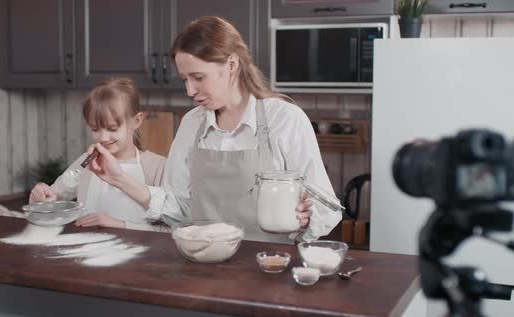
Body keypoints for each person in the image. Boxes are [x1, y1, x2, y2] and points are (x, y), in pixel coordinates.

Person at [84, 16, 342, 243]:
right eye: (185, 79)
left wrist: (305, 219)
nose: (189, 91)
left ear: (231, 65)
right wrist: (119, 178)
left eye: (198, 77)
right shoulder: (191, 124)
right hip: (201, 270)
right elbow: (180, 209)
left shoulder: (284, 119)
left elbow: (327, 209)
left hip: (270, 267)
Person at [29, 77, 168, 232]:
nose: (103, 138)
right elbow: (53, 200)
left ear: (136, 121)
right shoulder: (85, 162)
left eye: (112, 128)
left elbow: (172, 231)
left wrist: (120, 225)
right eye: (95, 129)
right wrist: (41, 197)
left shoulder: (157, 167)